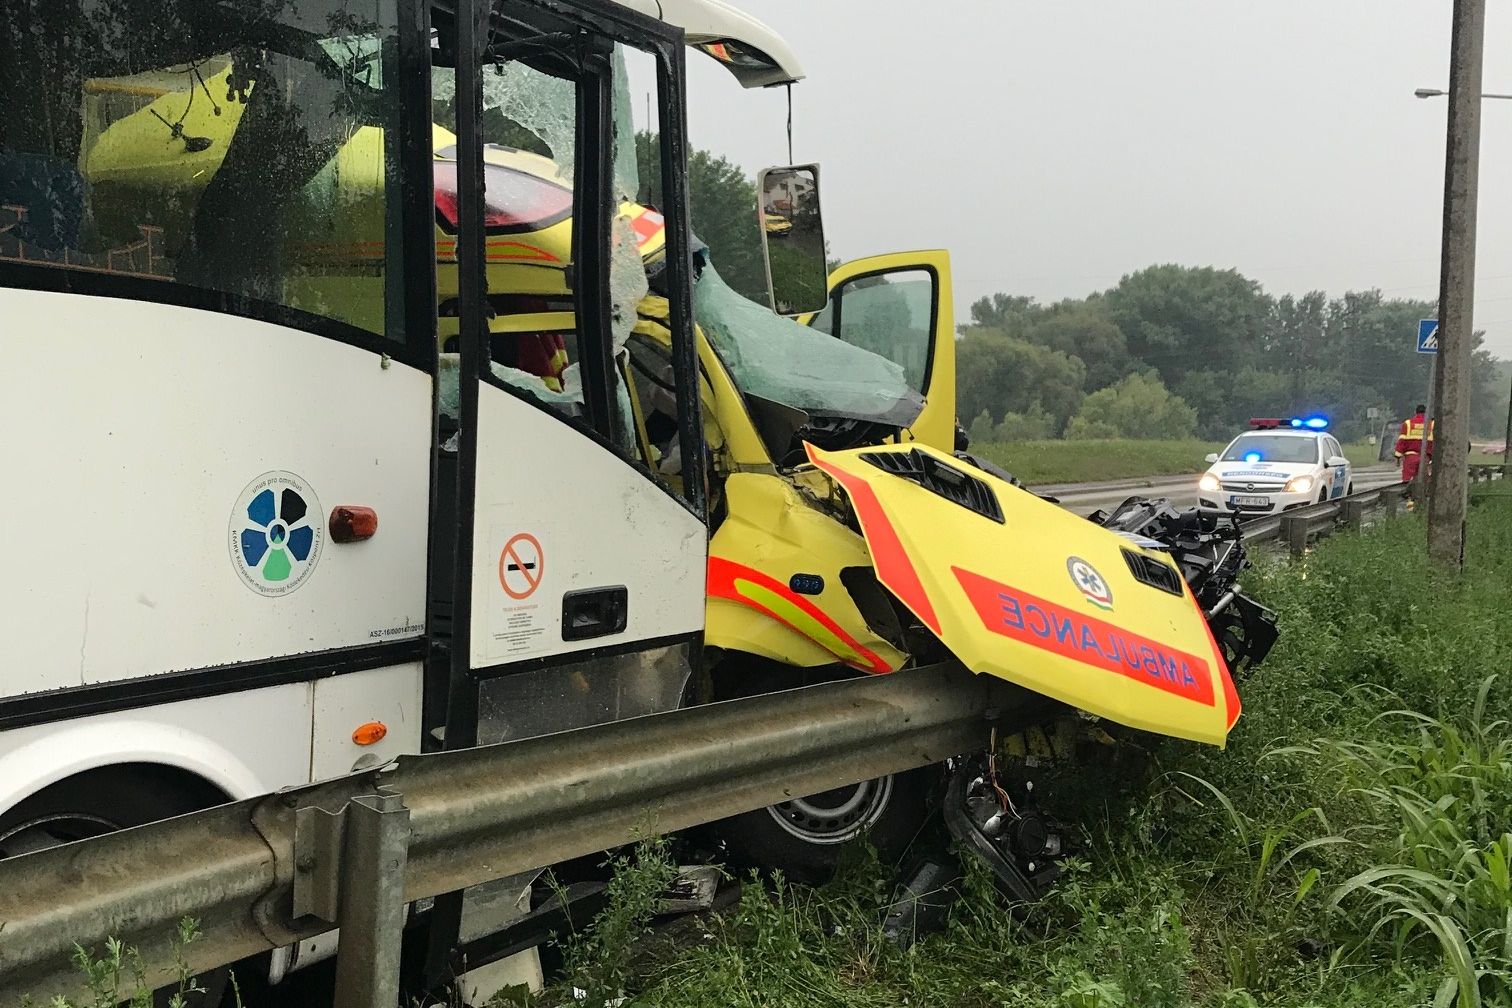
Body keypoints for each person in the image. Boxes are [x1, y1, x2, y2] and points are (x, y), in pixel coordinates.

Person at [1394, 404, 1435, 490]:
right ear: (1426, 413)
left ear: (1415, 412)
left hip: (1410, 457)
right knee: (1423, 483)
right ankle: (1421, 497)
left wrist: (1398, 457)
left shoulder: (1408, 424)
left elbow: (1402, 441)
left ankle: (1407, 496)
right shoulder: (1431, 424)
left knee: (1407, 481)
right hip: (1425, 458)